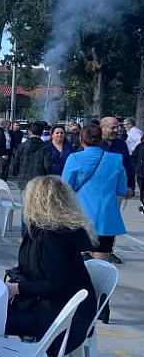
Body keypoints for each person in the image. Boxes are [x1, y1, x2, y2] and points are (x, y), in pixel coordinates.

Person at [4, 176, 97, 354]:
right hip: (62, 308)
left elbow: (56, 286)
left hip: (63, 318)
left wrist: (17, 288)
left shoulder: (51, 237)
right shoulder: (51, 231)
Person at [63, 123, 127, 289]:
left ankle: (79, 296)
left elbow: (65, 188)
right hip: (107, 217)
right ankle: (101, 297)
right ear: (101, 139)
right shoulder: (115, 159)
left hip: (81, 216)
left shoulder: (75, 158)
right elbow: (121, 189)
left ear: (81, 139)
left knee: (74, 259)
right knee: (101, 261)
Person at [100, 117, 135, 265]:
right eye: (113, 128)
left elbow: (128, 165)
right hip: (97, 190)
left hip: (116, 189)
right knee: (93, 220)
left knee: (111, 221)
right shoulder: (95, 144)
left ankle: (108, 251)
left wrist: (130, 186)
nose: (116, 130)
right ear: (103, 128)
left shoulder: (121, 145)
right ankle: (90, 250)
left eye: (117, 127)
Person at [12, 122, 52, 235]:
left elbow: (15, 163)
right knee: (39, 208)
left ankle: (25, 234)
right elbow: (47, 165)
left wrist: (18, 174)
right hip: (39, 181)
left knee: (25, 209)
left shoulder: (22, 146)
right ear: (41, 133)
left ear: (30, 132)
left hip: (24, 181)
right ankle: (36, 233)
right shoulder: (45, 147)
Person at [133, 136, 144, 213]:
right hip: (140, 173)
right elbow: (133, 157)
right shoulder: (140, 146)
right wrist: (136, 167)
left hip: (140, 172)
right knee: (142, 190)